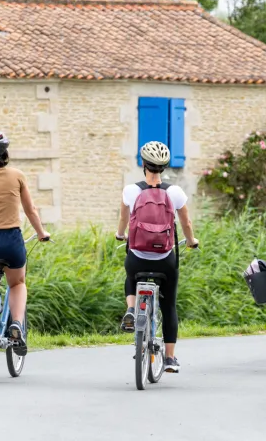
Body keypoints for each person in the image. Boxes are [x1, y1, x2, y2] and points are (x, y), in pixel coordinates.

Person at [116, 141, 199, 373]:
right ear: (164, 166)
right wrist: (191, 240)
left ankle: (131, 309)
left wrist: (120, 234)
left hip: (138, 257)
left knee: (130, 275)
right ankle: (170, 358)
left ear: (143, 163)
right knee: (169, 304)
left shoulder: (131, 191)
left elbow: (123, 220)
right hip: (164, 259)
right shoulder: (175, 193)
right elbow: (186, 223)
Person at [0, 129, 50, 355]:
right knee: (17, 283)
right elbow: (30, 210)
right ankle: (16, 324)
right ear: (6, 153)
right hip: (10, 242)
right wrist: (41, 233)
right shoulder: (17, 175)